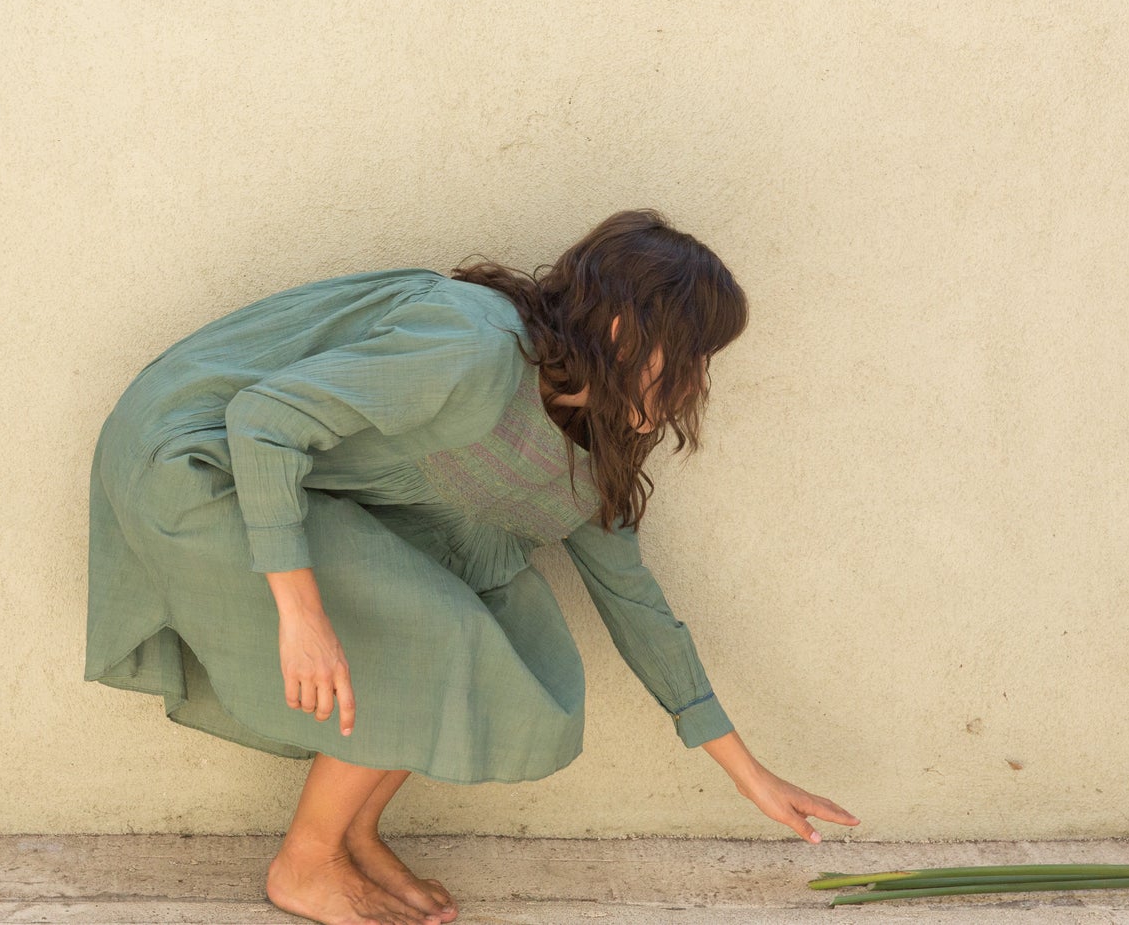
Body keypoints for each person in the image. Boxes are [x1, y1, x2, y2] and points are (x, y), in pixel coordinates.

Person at [85, 211, 854, 925]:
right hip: (196, 459)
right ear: (623, 329)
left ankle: (350, 835)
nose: (696, 382)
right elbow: (263, 420)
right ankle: (305, 859)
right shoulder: (474, 345)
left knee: (495, 619)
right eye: (688, 355)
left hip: (272, 473)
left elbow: (635, 601)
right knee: (437, 628)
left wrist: (747, 771)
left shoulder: (589, 451)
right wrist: (302, 610)